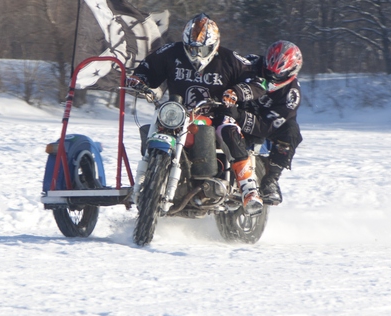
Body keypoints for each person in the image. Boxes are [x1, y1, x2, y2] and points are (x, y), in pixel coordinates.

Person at [126, 13, 264, 214]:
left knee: (228, 129)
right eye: (192, 49)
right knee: (154, 126)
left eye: (203, 49)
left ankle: (249, 189)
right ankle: (147, 182)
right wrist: (139, 79)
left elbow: (258, 81)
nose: (197, 54)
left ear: (214, 45)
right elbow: (148, 67)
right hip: (178, 113)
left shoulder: (230, 59)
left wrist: (236, 92)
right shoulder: (170, 52)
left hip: (216, 115)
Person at [217, 40, 304, 207]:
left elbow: (265, 127)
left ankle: (271, 180)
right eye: (267, 71)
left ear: (291, 72)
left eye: (277, 75)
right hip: (236, 109)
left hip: (265, 122)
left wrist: (239, 116)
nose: (270, 77)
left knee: (291, 130)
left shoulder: (291, 94)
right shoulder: (249, 63)